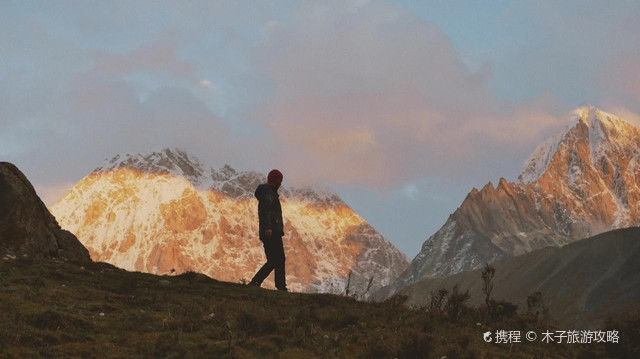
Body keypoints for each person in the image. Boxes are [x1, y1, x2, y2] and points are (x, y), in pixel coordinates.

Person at [249, 169, 287, 291]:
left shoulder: (269, 192)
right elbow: (266, 211)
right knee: (277, 259)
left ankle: (257, 282)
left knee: (275, 260)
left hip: (271, 230)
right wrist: (268, 227)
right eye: (279, 180)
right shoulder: (268, 192)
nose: (280, 183)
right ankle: (279, 286)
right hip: (271, 231)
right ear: (275, 180)